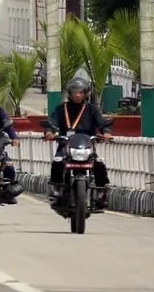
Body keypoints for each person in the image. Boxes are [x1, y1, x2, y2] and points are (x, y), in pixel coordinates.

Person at [45, 77, 113, 209]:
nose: (77, 94)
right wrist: (49, 132)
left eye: (81, 92)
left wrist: (106, 132)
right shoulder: (61, 109)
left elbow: (102, 123)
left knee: (99, 164)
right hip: (66, 144)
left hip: (86, 145)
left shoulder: (91, 109)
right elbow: (52, 123)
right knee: (57, 162)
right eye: (75, 92)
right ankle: (57, 191)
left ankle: (100, 192)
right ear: (69, 93)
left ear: (86, 93)